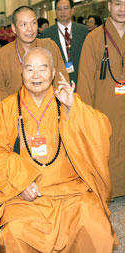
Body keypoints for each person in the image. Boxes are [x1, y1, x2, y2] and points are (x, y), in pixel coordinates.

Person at [0, 47, 118, 252]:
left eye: (43, 69)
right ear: (22, 73)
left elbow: (102, 130)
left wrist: (73, 108)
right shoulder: (8, 108)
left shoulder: (67, 100)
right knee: (15, 232)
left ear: (53, 73)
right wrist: (21, 183)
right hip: (26, 195)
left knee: (94, 224)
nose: (36, 76)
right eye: (29, 69)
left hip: (70, 191)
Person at [77, 0, 125, 197]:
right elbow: (85, 80)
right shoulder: (94, 38)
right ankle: (109, 188)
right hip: (104, 108)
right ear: (108, 6)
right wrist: (85, 115)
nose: (122, 9)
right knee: (108, 148)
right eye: (118, 4)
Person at [0, 6, 69, 113]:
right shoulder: (2, 55)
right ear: (14, 28)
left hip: (48, 112)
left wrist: (57, 106)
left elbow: (61, 77)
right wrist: (10, 112)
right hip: (17, 116)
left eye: (33, 23)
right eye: (24, 24)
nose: (30, 29)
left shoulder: (50, 47)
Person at [40, 0, 88, 88]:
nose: (62, 12)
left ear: (72, 10)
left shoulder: (84, 31)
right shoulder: (46, 34)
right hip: (57, 84)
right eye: (59, 9)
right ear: (55, 12)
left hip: (81, 81)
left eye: (66, 8)